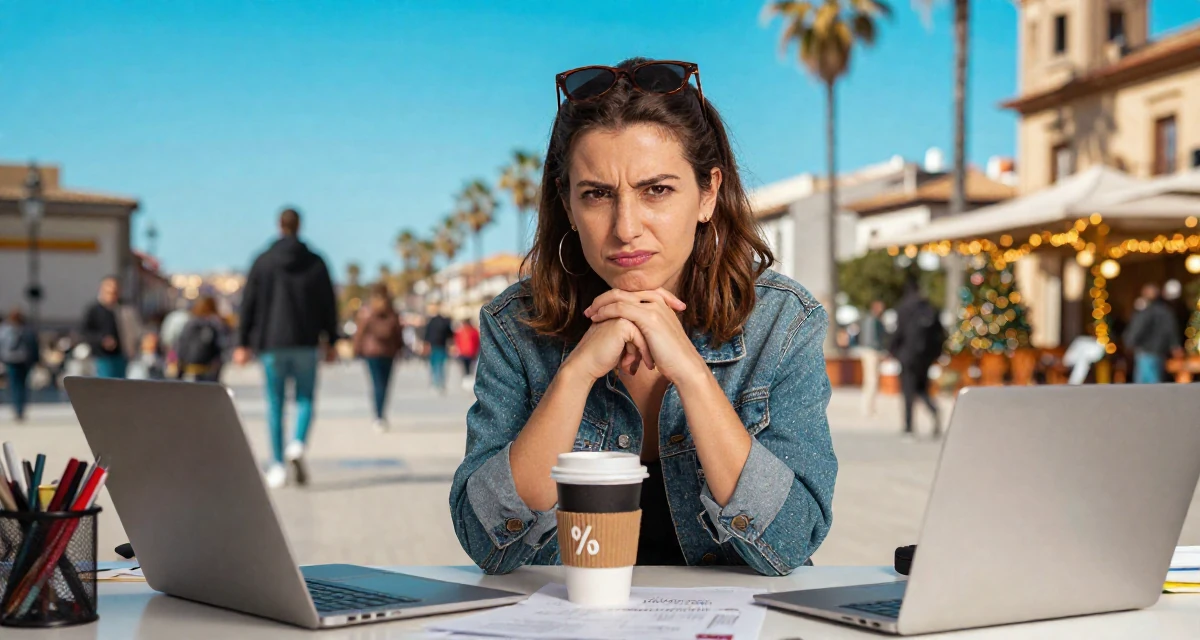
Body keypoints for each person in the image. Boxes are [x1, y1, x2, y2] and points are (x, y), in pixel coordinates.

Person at [449, 58, 837, 576]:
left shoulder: (780, 322)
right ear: (567, 204)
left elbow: (793, 538)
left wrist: (693, 376)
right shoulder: (518, 324)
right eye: (597, 195)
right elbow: (485, 541)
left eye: (656, 190)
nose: (626, 227)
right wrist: (575, 376)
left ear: (707, 193)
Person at [233, 207, 339, 489]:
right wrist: (333, 340)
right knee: (305, 399)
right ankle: (298, 444)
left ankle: (277, 465)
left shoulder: (263, 261)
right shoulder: (316, 262)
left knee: (275, 404)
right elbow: (329, 303)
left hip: (271, 344)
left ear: (278, 225)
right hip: (306, 342)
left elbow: (248, 303)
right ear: (299, 225)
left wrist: (242, 342)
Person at [889, 277, 945, 439]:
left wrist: (891, 350)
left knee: (908, 390)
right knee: (922, 388)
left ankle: (908, 427)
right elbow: (940, 334)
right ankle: (934, 410)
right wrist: (936, 354)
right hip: (925, 357)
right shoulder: (930, 308)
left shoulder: (904, 308)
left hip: (907, 355)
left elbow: (898, 332)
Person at [352, 284, 403, 431]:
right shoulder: (392, 311)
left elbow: (360, 332)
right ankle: (382, 415)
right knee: (385, 385)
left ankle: (378, 416)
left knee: (376, 384)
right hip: (388, 352)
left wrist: (357, 349)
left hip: (371, 352)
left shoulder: (367, 311)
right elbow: (398, 332)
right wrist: (400, 348)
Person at [1123, 283, 1182, 384]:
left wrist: (1129, 342)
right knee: (1155, 378)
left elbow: (1138, 328)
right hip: (1159, 350)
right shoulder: (1166, 311)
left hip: (1145, 350)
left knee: (1145, 382)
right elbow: (1171, 329)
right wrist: (1175, 345)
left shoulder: (1145, 311)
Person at [82, 276, 128, 379]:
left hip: (121, 356)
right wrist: (102, 340)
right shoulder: (94, 310)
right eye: (109, 292)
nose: (112, 295)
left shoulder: (122, 309)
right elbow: (85, 332)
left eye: (115, 292)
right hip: (101, 357)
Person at [177, 296, 230, 382]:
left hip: (189, 367)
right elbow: (223, 344)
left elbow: (181, 344)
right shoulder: (216, 323)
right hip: (209, 368)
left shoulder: (190, 323)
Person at [0, 310, 40, 422]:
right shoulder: (26, 329)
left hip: (11, 360)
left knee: (14, 385)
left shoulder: (4, 330)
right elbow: (33, 345)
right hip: (23, 360)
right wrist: (36, 360)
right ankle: (20, 408)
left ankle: (17, 408)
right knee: (22, 385)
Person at [859, 300, 887, 417]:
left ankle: (869, 406)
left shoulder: (870, 319)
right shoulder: (873, 320)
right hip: (871, 352)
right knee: (872, 380)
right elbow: (872, 339)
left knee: (870, 380)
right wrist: (881, 351)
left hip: (869, 351)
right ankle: (867, 408)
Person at [423, 305, 453, 394]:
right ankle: (441, 383)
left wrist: (426, 344)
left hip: (433, 346)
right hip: (442, 346)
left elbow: (427, 334)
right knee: (441, 365)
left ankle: (435, 382)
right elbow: (450, 334)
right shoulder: (445, 322)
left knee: (434, 365)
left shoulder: (431, 322)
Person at [454, 318, 481, 390]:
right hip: (470, 352)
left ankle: (466, 380)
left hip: (465, 352)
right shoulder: (473, 331)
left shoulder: (461, 331)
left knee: (466, 367)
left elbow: (457, 341)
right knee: (469, 367)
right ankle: (467, 380)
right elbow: (477, 342)